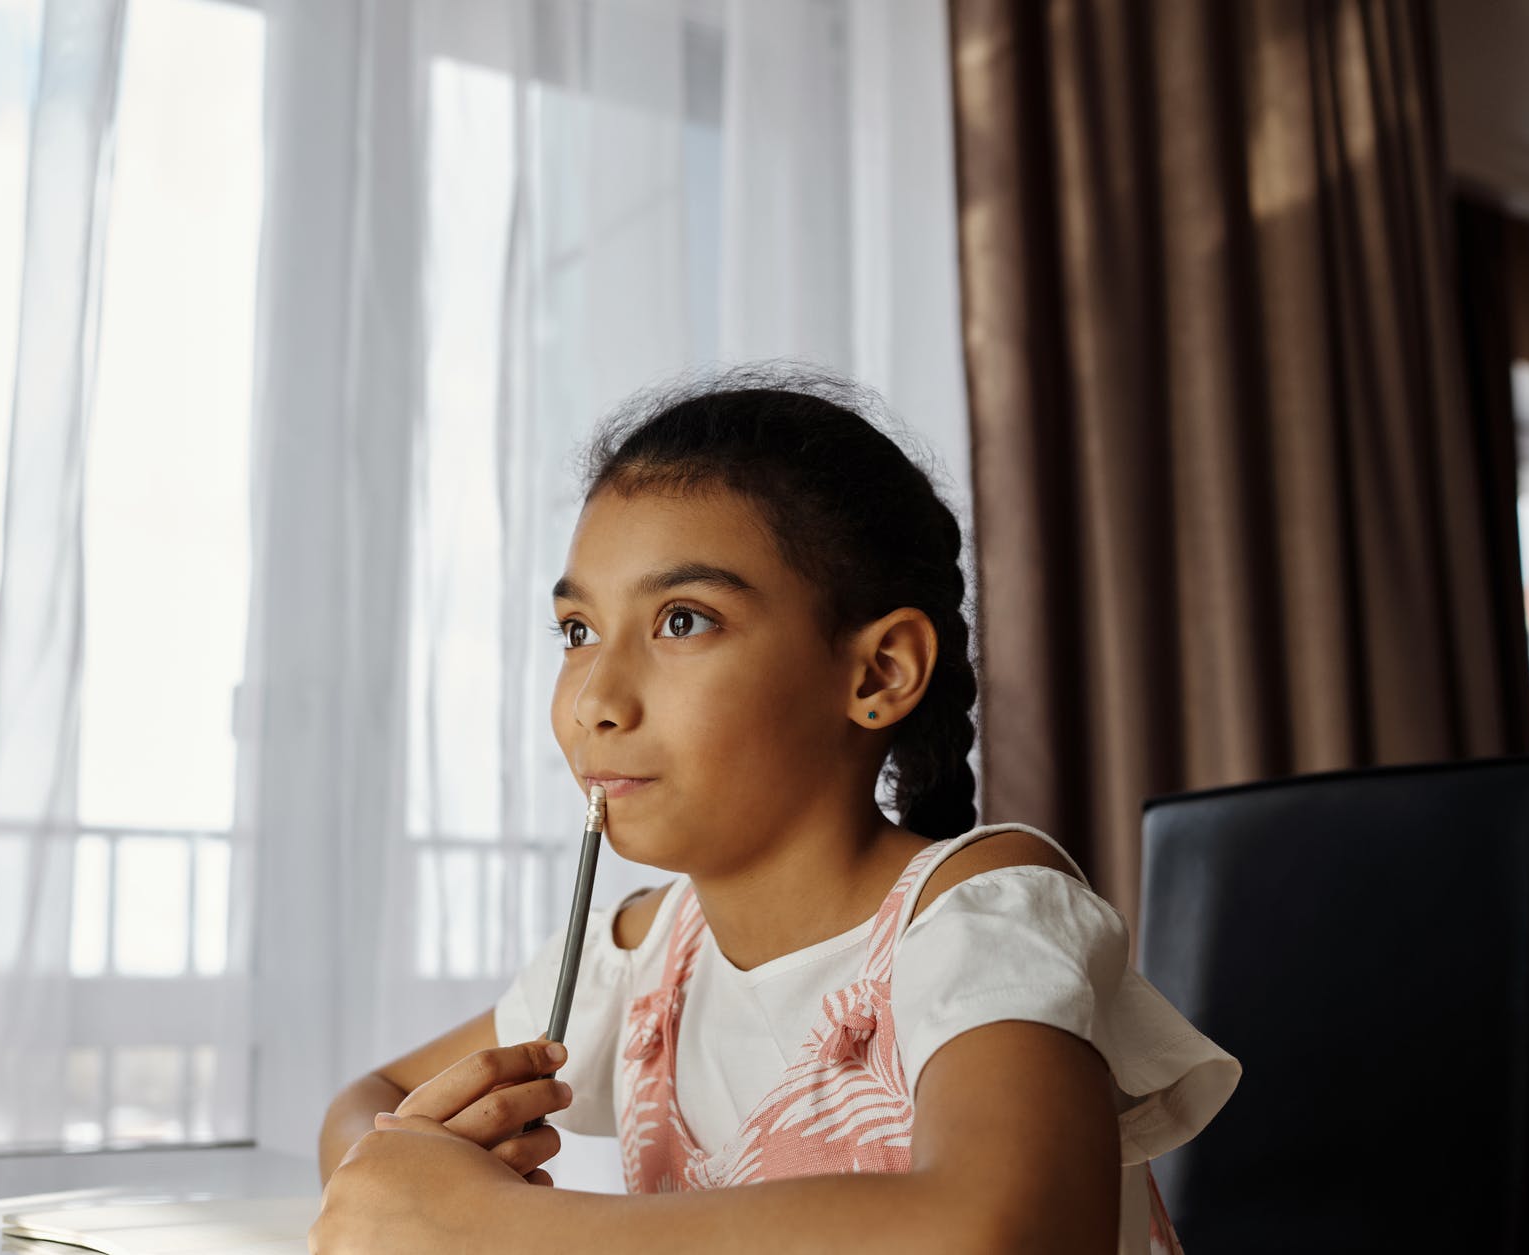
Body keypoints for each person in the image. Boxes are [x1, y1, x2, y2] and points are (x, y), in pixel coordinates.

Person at [312, 367, 1240, 1254]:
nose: (597, 696)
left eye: (683, 620)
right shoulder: (638, 964)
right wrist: (406, 1179)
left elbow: (1010, 1232)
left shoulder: (983, 919)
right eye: (578, 630)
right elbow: (378, 1096)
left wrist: (495, 1230)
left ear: (878, 672)